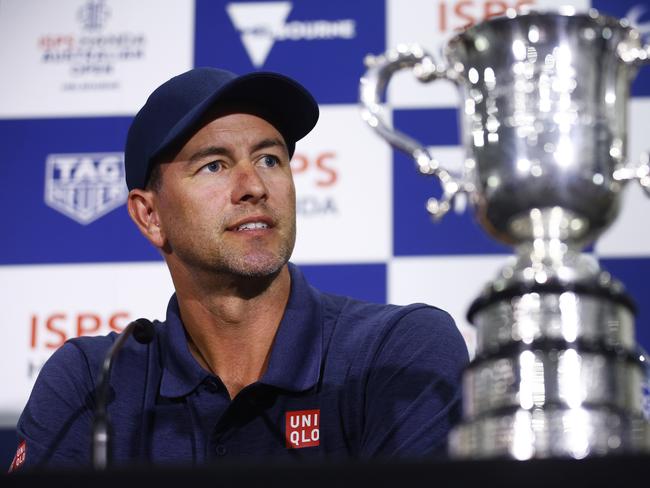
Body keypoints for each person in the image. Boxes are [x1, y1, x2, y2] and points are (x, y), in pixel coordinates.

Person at [12, 67, 469, 469]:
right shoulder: (94, 381)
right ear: (150, 216)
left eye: (270, 159)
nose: (253, 186)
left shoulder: (397, 351)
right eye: (214, 166)